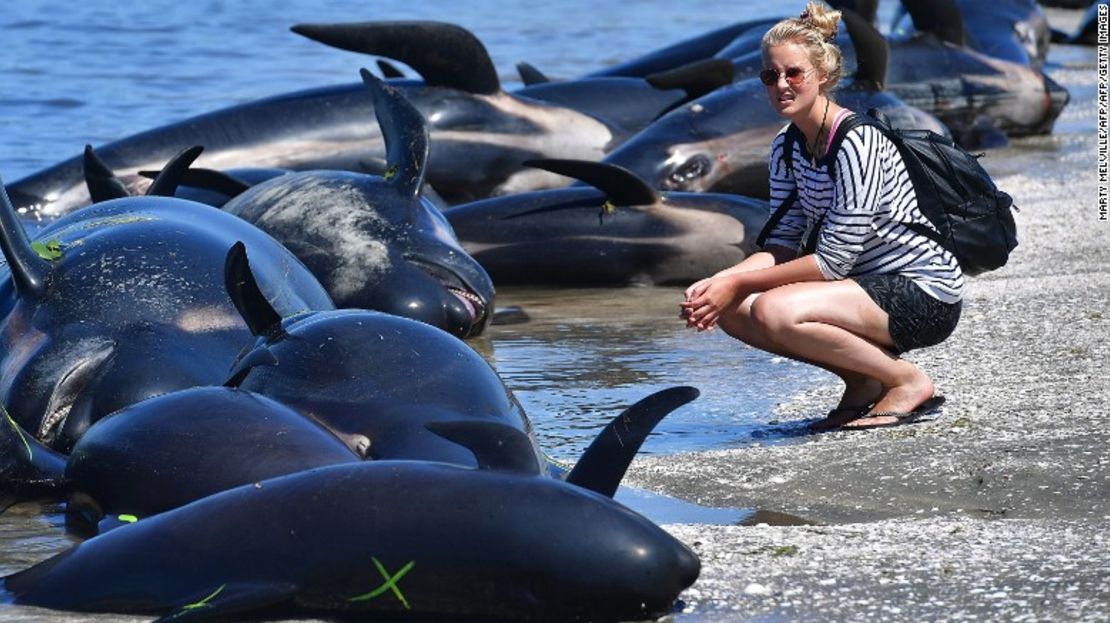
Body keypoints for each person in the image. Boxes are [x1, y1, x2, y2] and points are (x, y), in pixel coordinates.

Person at [679, 1, 963, 430]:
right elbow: (780, 245)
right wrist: (719, 285)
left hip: (923, 293)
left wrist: (735, 281)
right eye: (770, 76)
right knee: (731, 308)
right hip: (863, 290)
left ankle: (907, 381)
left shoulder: (856, 141)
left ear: (823, 76)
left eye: (794, 73)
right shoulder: (786, 146)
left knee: (773, 311)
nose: (781, 85)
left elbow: (833, 262)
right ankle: (863, 382)